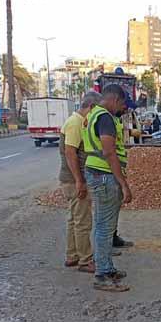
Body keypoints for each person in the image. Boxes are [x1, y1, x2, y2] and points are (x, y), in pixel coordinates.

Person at [82, 84, 133, 292]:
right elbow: (109, 152)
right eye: (121, 104)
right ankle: (102, 275)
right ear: (114, 99)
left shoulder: (93, 114)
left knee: (105, 225)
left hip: (98, 173)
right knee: (104, 227)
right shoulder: (105, 118)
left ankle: (106, 267)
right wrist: (123, 183)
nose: (122, 109)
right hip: (104, 176)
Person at [59, 91, 102, 274]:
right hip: (74, 180)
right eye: (97, 110)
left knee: (73, 219)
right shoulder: (76, 123)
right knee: (83, 222)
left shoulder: (77, 121)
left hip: (71, 179)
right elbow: (70, 153)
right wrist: (80, 181)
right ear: (91, 107)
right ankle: (85, 260)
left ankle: (72, 255)